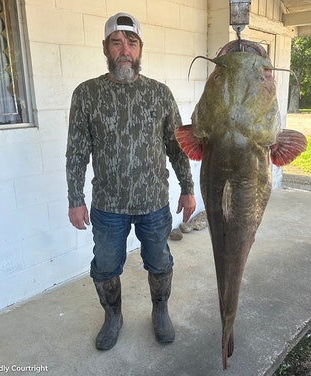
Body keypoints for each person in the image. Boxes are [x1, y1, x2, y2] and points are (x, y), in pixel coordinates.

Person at [66, 12, 197, 351]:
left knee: (160, 261)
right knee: (105, 267)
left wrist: (188, 189)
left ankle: (160, 309)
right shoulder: (86, 94)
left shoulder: (160, 93)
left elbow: (177, 147)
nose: (124, 50)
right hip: (108, 206)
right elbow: (77, 151)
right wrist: (75, 197)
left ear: (140, 50)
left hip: (153, 202)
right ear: (106, 48)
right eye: (117, 42)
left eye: (131, 43)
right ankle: (113, 317)